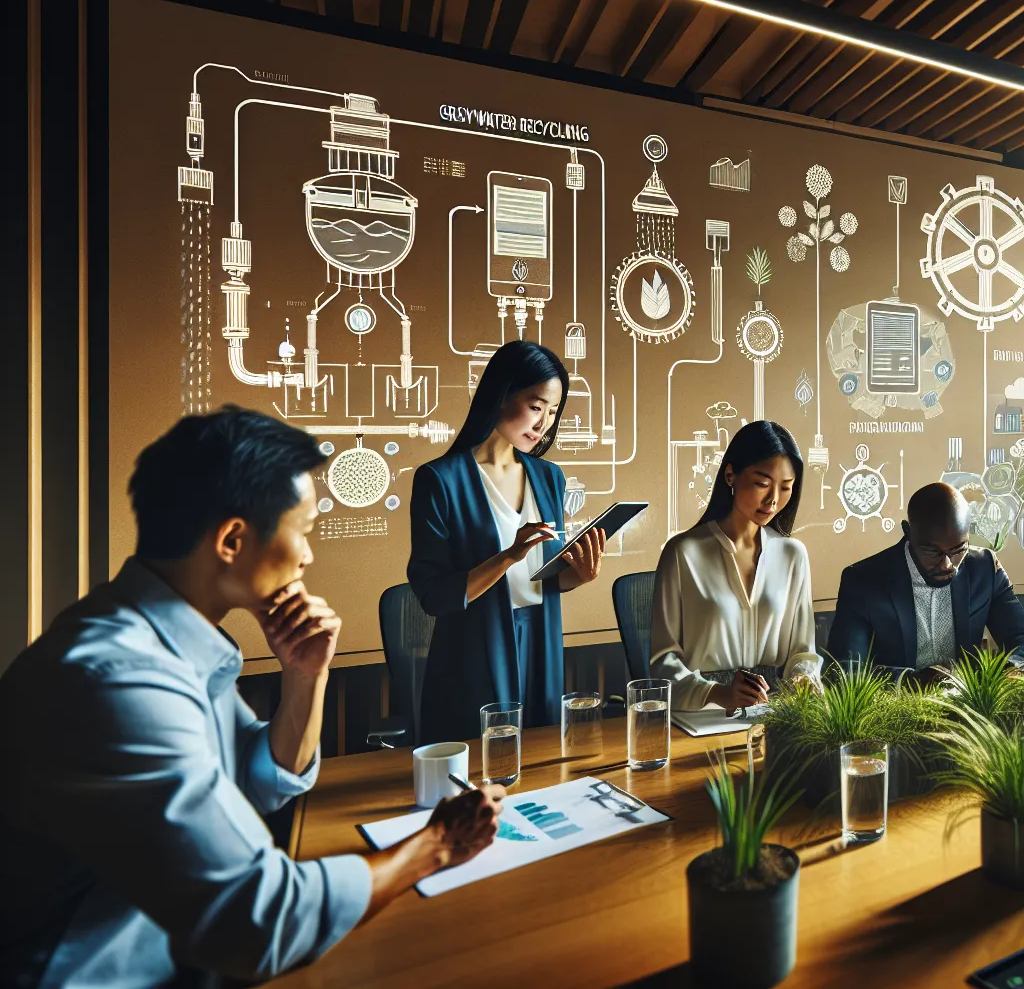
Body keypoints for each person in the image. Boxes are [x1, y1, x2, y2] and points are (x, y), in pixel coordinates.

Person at [0, 409, 503, 987]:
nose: (308, 555)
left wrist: (305, 674)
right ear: (233, 539)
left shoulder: (160, 635)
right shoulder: (118, 680)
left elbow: (261, 779)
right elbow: (258, 922)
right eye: (305, 529)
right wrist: (436, 845)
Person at [409, 341, 604, 742]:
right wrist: (508, 556)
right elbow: (433, 595)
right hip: (475, 650)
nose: (544, 423)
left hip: (542, 641)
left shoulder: (549, 477)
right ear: (501, 394)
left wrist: (578, 576)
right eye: (536, 406)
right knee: (485, 768)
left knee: (542, 759)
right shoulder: (440, 480)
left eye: (553, 412)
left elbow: (542, 580)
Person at [651, 420, 815, 712]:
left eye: (786, 487)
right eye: (762, 483)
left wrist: (803, 677)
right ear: (730, 475)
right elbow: (663, 662)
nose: (774, 499)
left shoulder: (793, 555)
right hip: (703, 712)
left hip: (775, 713)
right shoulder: (683, 553)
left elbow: (801, 651)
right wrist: (717, 693)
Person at [828, 483, 1024, 672]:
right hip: (896, 708)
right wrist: (911, 681)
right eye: (933, 553)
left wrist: (1011, 667)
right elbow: (845, 669)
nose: (947, 564)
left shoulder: (984, 569)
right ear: (908, 532)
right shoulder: (863, 580)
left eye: (959, 550)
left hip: (969, 708)